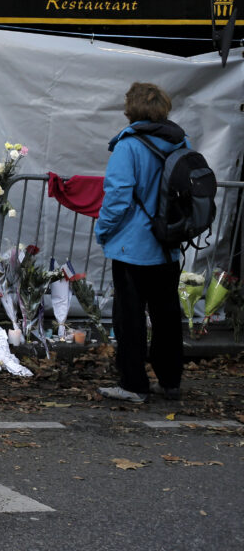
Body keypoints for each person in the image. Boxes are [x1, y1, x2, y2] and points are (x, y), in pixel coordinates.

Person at [94, 82, 186, 404]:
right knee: (167, 316)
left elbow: (117, 197)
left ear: (131, 109)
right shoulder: (179, 142)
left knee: (130, 318)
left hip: (133, 247)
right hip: (168, 243)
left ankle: (133, 384)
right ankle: (170, 381)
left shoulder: (128, 146)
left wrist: (102, 231)